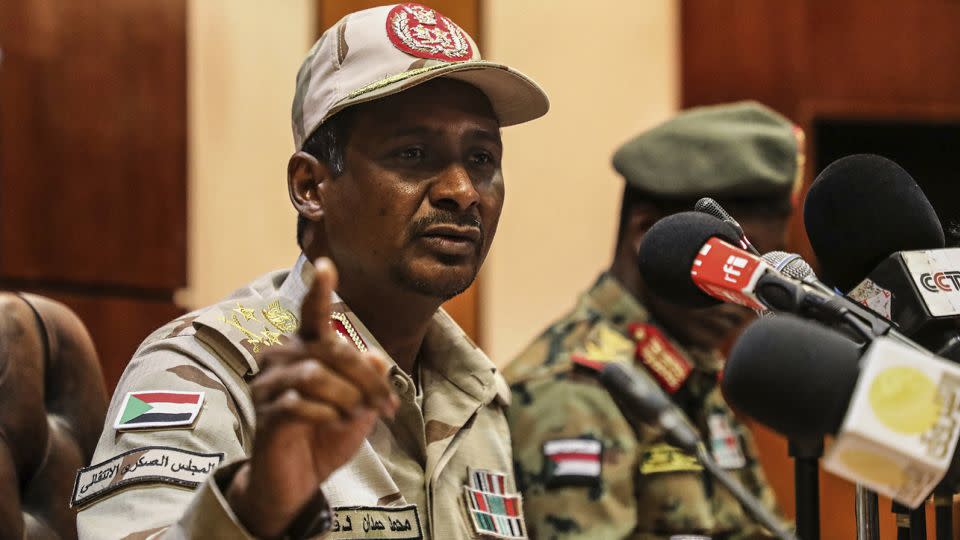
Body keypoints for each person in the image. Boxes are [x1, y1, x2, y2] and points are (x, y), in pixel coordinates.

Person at [74, 4, 547, 539]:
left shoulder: (479, 395)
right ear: (310, 187)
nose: (462, 192)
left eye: (482, 159)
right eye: (413, 153)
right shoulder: (208, 370)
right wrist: (258, 505)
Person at [506, 101, 802, 539]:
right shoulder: (573, 389)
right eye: (730, 267)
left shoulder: (695, 372)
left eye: (761, 273)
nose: (747, 298)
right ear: (649, 234)